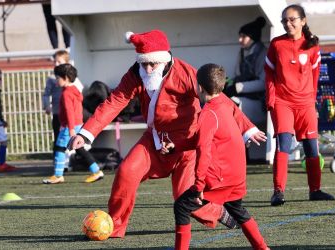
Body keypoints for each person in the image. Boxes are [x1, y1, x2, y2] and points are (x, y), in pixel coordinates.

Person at [68, 30, 237, 238]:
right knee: (126, 171)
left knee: (187, 201)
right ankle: (114, 227)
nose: (147, 69)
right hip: (155, 140)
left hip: (187, 145)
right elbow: (114, 103)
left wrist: (247, 129)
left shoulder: (186, 73)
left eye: (152, 64)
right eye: (144, 63)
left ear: (165, 59)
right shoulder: (135, 73)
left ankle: (219, 212)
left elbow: (219, 101)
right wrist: (85, 134)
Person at [173, 63, 269, 250]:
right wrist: (177, 146)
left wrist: (199, 186)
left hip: (220, 179)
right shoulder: (226, 104)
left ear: (199, 87)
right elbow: (201, 139)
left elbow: (203, 150)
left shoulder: (208, 113)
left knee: (182, 207)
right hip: (237, 176)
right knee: (237, 210)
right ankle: (263, 248)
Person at [265, 4, 335, 206]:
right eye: (284, 20)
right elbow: (269, 73)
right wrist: (271, 99)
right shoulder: (276, 44)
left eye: (292, 19)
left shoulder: (312, 46)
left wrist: (311, 102)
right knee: (284, 144)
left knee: (312, 147)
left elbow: (314, 77)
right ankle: (278, 192)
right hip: (282, 102)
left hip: (305, 104)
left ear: (303, 21)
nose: (288, 23)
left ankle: (315, 190)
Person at [42, 64, 103, 184]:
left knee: (59, 148)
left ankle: (58, 175)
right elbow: (77, 110)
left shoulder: (66, 94)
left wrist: (70, 128)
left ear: (66, 78)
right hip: (76, 124)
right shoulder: (74, 90)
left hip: (70, 127)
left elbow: (69, 112)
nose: (56, 81)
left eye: (58, 78)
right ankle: (96, 171)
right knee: (80, 149)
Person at [223, 16, 267, 126]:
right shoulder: (242, 52)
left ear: (252, 37)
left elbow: (263, 84)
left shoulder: (263, 53)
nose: (240, 40)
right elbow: (237, 75)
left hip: (259, 101)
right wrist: (227, 83)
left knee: (231, 105)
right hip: (244, 95)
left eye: (243, 36)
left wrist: (237, 87)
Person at [42, 50, 70, 157]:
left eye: (59, 62)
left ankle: (71, 159)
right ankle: (57, 161)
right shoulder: (52, 79)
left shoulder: (70, 77)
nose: (56, 64)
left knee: (71, 137)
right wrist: (47, 106)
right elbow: (46, 94)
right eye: (55, 62)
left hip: (70, 114)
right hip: (58, 113)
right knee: (58, 137)